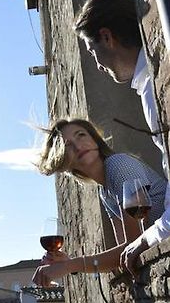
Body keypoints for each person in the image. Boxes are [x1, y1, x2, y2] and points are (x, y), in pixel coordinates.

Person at [72, 0, 169, 275]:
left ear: (106, 37)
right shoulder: (150, 85)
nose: (98, 64)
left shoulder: (157, 89)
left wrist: (148, 238)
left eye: (92, 52)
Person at [32, 118, 166, 287]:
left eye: (81, 135)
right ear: (64, 162)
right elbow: (125, 253)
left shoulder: (118, 165)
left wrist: (71, 265)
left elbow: (135, 242)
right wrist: (69, 264)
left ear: (95, 139)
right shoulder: (105, 193)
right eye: (67, 145)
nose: (78, 145)